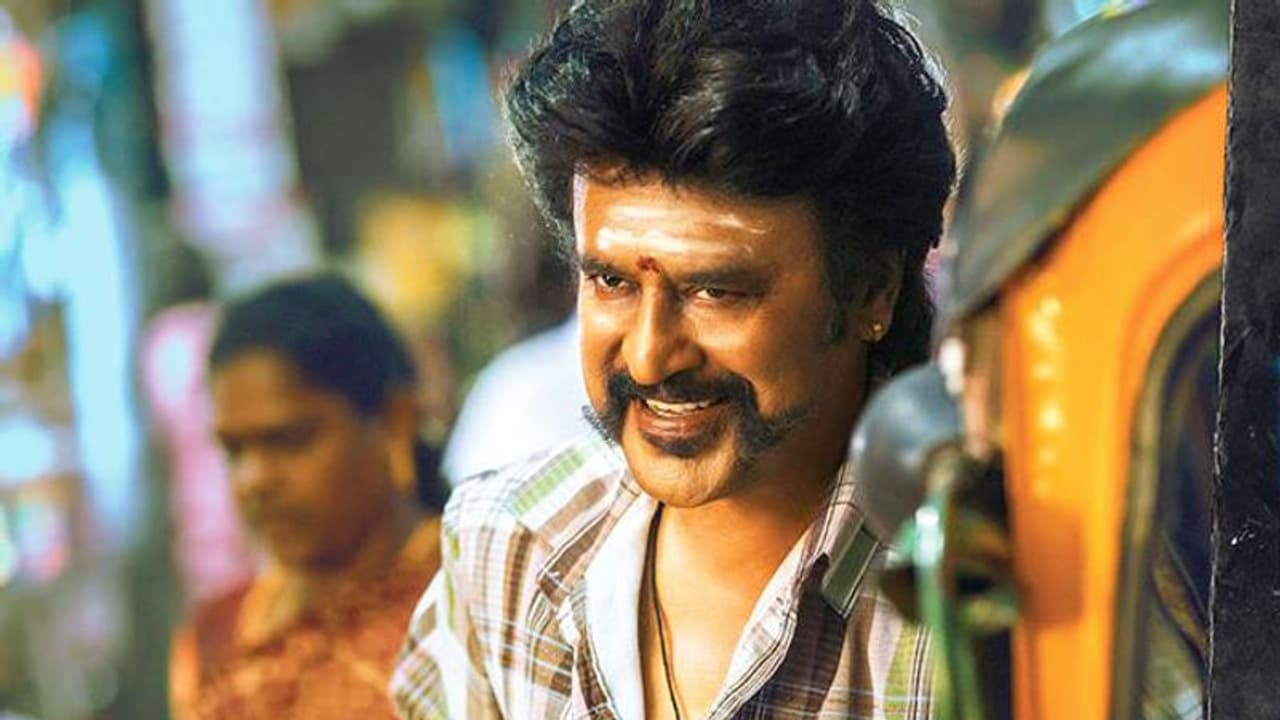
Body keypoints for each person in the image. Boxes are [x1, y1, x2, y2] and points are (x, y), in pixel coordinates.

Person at [392, 0, 955, 717]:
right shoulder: (509, 548)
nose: (650, 356)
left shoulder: (971, 598)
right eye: (612, 282)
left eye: (716, 291)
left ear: (873, 288)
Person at [170, 274, 448, 720]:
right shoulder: (214, 640)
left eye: (289, 440)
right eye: (234, 450)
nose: (254, 480)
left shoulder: (472, 603)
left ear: (394, 422)